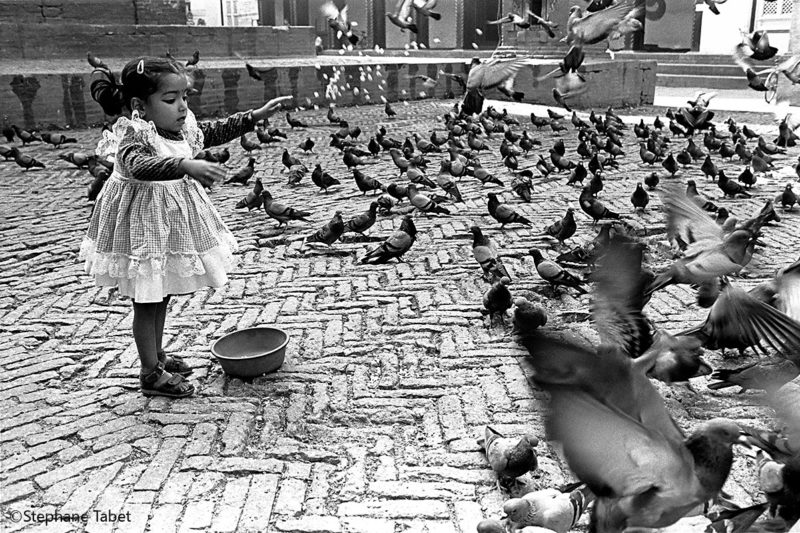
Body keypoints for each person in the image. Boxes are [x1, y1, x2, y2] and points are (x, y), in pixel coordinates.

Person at [82, 56, 291, 398]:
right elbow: (139, 165)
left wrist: (253, 117)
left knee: (159, 294)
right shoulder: (136, 134)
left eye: (185, 98)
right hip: (143, 227)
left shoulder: (180, 127)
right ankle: (150, 373)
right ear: (140, 105)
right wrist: (183, 165)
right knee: (146, 300)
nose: (181, 107)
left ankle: (157, 356)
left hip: (165, 223)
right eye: (170, 100)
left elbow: (210, 131)